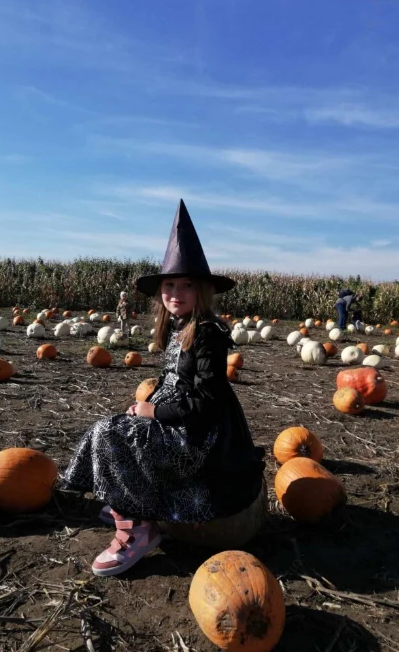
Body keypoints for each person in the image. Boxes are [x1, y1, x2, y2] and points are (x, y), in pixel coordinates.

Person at [60, 200, 265, 577]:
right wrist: (146, 405)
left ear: (203, 290)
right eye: (170, 284)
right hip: (181, 420)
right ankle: (129, 504)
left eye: (187, 285)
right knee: (113, 426)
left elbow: (205, 401)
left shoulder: (209, 333)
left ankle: (139, 530)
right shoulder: (180, 325)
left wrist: (152, 411)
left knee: (109, 433)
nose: (176, 292)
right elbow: (174, 383)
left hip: (200, 439)